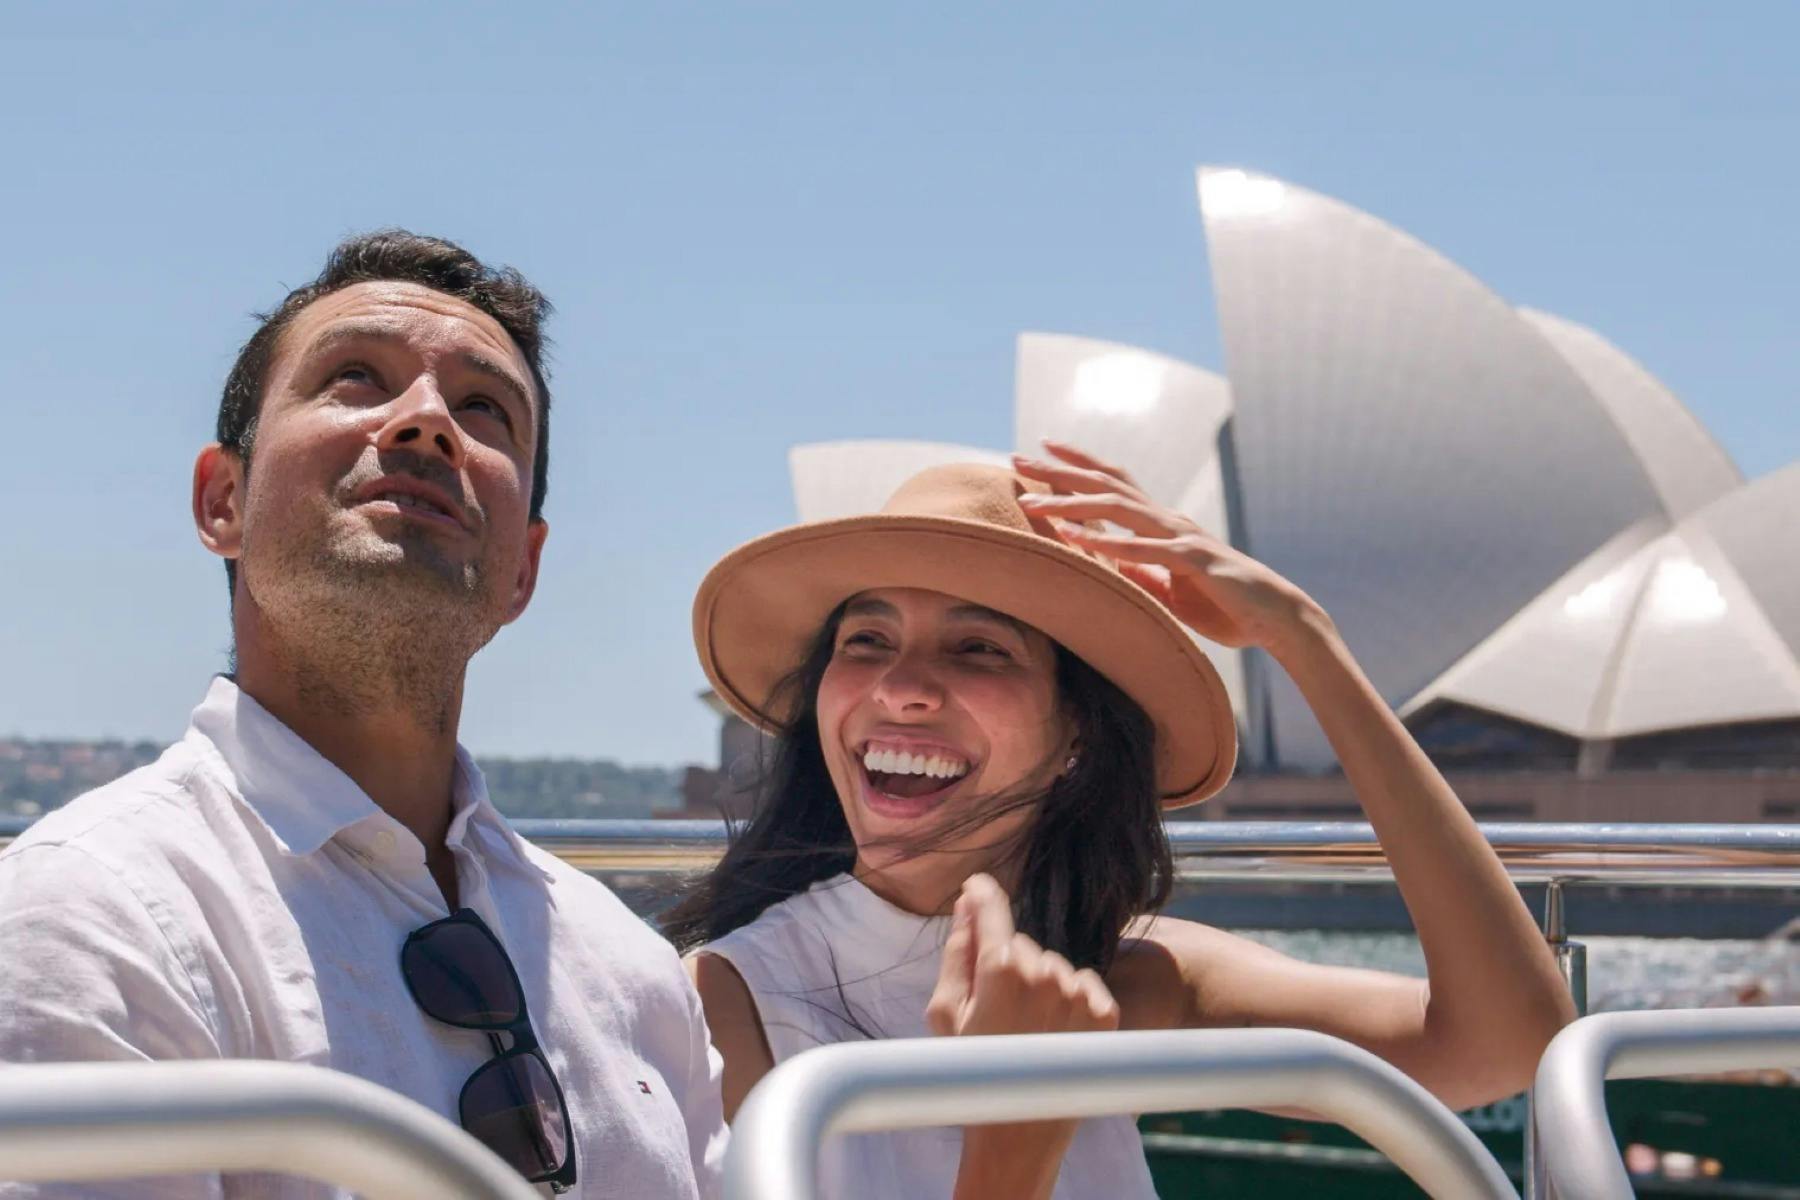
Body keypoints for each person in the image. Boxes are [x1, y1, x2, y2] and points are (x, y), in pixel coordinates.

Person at [0, 232, 726, 1198]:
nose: (426, 423)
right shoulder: (88, 918)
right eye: (355, 379)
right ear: (223, 500)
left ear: (524, 571)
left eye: (483, 408)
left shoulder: (632, 970)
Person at [665, 448, 1576, 1199]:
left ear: (1077, 740)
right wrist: (1014, 1139)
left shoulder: (1130, 979)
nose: (900, 687)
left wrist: (1305, 640)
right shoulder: (720, 1000)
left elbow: (1504, 1046)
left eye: (978, 647)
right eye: (866, 640)